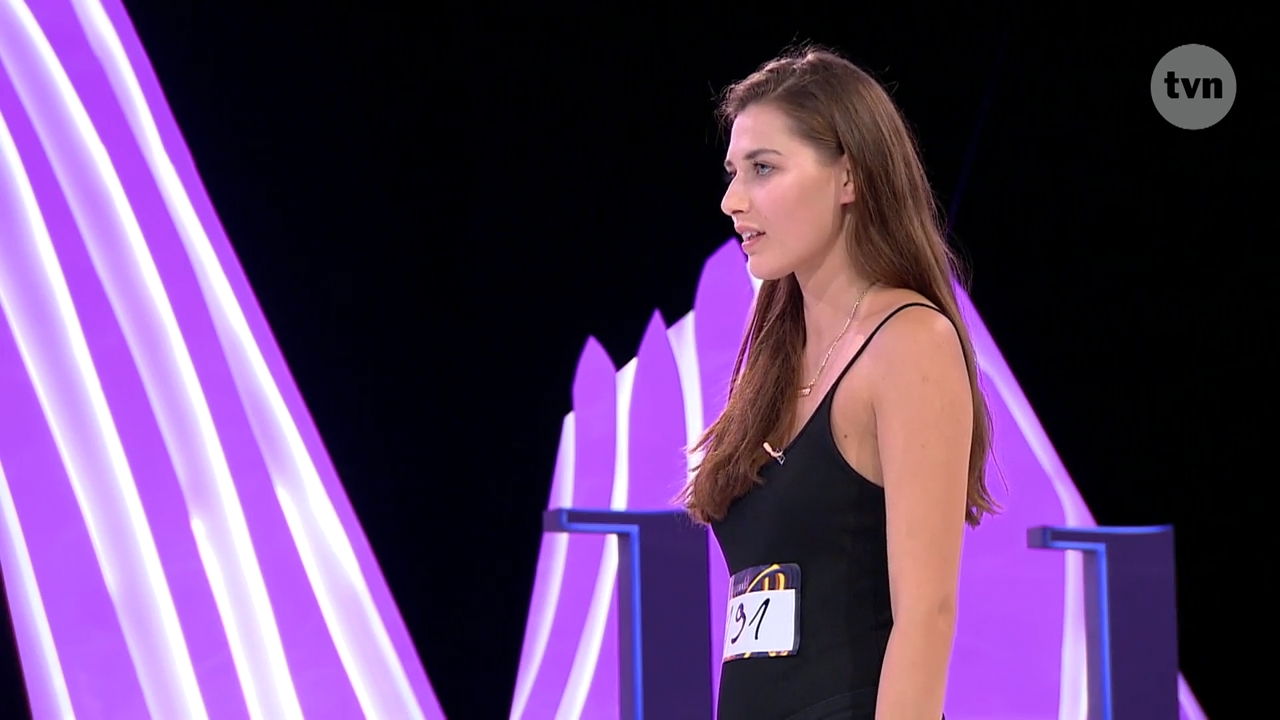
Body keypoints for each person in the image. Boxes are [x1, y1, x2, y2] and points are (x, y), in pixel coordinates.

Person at [678, 45, 998, 720]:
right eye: (734, 172)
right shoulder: (775, 361)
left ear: (848, 176)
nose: (733, 200)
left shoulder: (910, 342)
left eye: (764, 168)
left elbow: (927, 615)